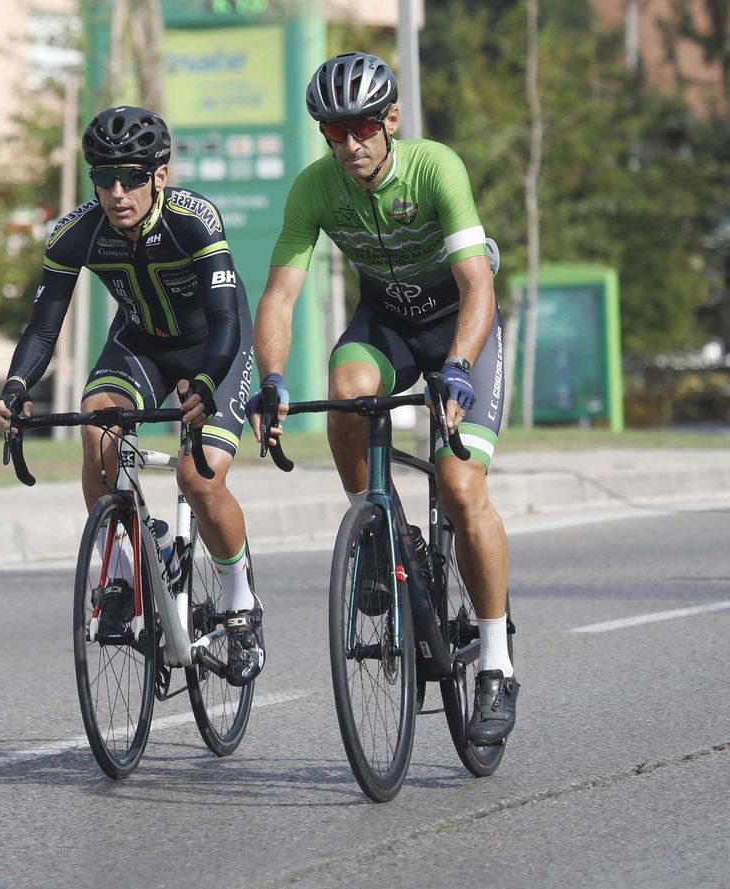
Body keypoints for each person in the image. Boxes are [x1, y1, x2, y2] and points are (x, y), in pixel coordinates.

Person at [249, 52, 518, 742]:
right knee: (345, 392)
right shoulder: (314, 189)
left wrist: (457, 365)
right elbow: (280, 294)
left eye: (362, 127)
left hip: (459, 326)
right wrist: (272, 379)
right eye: (334, 132)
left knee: (461, 488)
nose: (349, 145)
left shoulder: (435, 168)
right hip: (387, 325)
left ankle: (494, 661)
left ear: (390, 120)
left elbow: (478, 283)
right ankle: (381, 532)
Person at [0, 106, 265, 686]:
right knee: (98, 430)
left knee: (200, 479)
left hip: (214, 345)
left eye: (132, 178)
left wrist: (211, 381)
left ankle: (241, 605)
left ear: (159, 176)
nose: (117, 193)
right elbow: (44, 327)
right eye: (104, 178)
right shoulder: (77, 232)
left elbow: (224, 317)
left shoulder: (195, 220)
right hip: (139, 343)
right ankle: (122, 571)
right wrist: (17, 388)